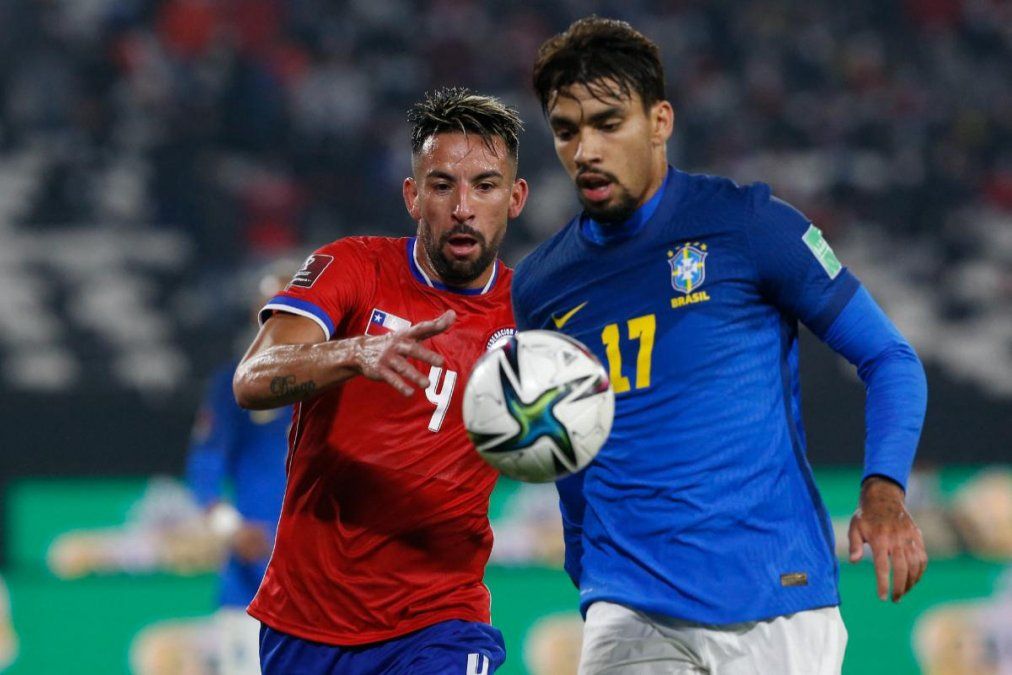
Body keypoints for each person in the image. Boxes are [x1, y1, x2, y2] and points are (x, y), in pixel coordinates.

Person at [512, 17, 929, 674]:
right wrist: (581, 554)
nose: (585, 149)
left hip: (776, 596)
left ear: (660, 120)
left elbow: (890, 359)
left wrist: (884, 489)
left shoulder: (750, 225)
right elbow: (563, 441)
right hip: (630, 602)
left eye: (607, 122)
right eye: (566, 130)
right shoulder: (541, 285)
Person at [233, 87, 527, 674]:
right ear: (413, 195)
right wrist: (354, 352)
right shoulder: (354, 267)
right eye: (442, 185)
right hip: (307, 621)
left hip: (442, 619)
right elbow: (252, 380)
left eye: (485, 185)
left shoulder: (534, 315)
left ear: (515, 198)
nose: (463, 207)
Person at [183, 268, 292, 674]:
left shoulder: (339, 384)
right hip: (253, 586)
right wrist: (231, 529)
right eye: (273, 310)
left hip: (326, 587)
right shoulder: (235, 385)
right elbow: (204, 474)